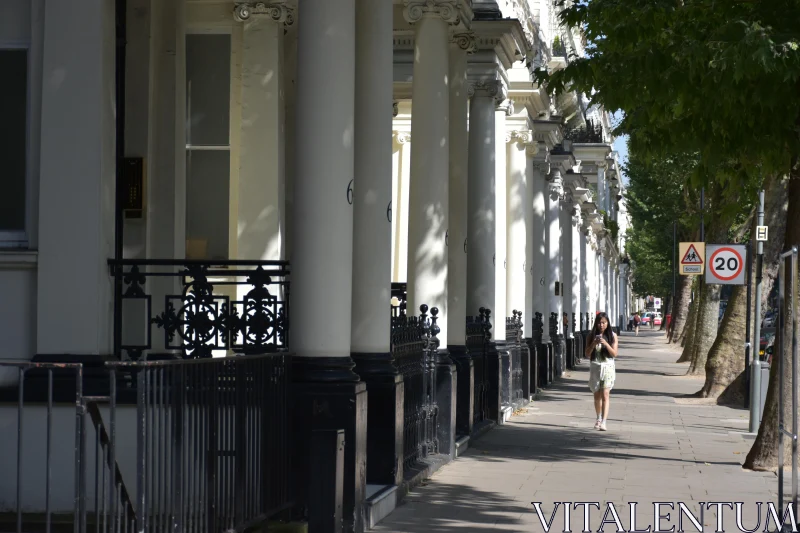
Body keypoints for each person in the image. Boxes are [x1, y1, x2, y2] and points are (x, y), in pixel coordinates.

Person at [585, 312, 618, 431]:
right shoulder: (591, 335)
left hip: (608, 368)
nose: (601, 325)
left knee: (605, 395)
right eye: (599, 322)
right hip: (595, 368)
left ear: (608, 323)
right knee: (596, 395)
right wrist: (594, 343)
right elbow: (587, 354)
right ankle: (598, 418)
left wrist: (606, 343)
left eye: (604, 322)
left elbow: (614, 354)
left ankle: (604, 421)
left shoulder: (612, 336)